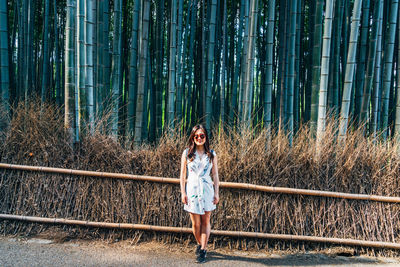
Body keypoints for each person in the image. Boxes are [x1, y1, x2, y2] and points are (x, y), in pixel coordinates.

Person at [180, 124, 220, 263]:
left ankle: (203, 249)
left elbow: (215, 175)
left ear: (206, 137)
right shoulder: (187, 153)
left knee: (206, 221)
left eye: (202, 135)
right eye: (196, 136)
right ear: (192, 137)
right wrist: (183, 192)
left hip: (207, 189)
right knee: (196, 223)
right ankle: (199, 243)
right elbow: (182, 175)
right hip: (192, 190)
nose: (199, 138)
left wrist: (216, 193)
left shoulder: (212, 154)